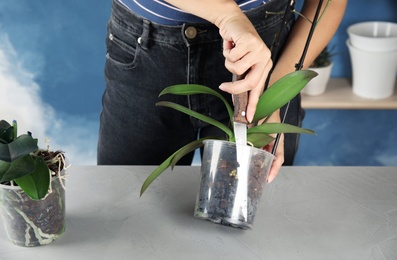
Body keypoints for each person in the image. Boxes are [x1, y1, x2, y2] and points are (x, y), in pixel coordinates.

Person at [97, 0, 347, 182]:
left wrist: (274, 92)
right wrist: (227, 16)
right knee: (126, 205)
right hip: (147, 47)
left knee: (248, 222)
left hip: (260, 54)